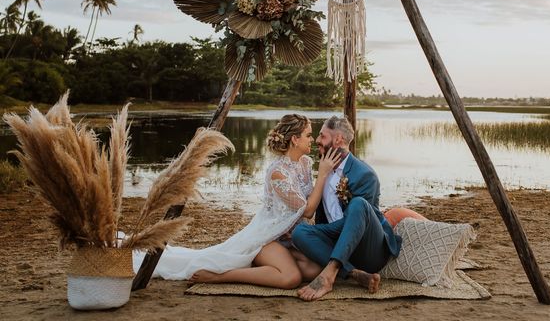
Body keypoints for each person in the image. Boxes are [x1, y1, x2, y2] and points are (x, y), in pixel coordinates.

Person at [132, 114, 342, 289]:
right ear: (295, 140)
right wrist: (323, 174)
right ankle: (221, 276)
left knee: (314, 270)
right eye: (308, 135)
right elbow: (307, 211)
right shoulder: (278, 172)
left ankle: (266, 267)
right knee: (291, 278)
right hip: (268, 238)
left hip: (290, 236)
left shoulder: (305, 163)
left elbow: (305, 206)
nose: (312, 140)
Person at [291, 116, 402, 301]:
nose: (317, 140)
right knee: (300, 231)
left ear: (338, 139)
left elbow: (359, 222)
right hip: (337, 245)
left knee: (358, 204)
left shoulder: (365, 174)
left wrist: (323, 232)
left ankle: (329, 275)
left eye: (322, 136)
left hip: (369, 250)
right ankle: (354, 274)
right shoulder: (324, 169)